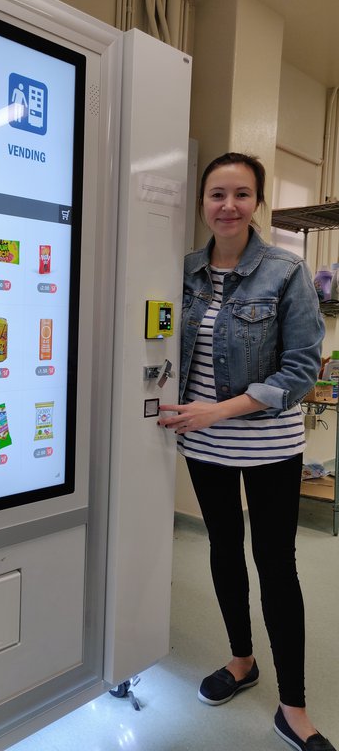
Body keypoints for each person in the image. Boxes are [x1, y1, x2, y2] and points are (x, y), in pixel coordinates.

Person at [158, 152, 335, 751]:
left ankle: (294, 707)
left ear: (255, 202)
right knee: (224, 552)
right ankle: (241, 660)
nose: (227, 206)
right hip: (202, 444)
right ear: (203, 202)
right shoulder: (183, 270)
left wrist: (219, 410)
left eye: (240, 194)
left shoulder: (287, 271)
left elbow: (302, 371)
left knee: (276, 567)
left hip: (267, 446)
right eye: (216, 194)